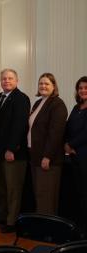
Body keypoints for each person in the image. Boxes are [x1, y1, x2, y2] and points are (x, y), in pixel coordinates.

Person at [0, 68, 31, 233]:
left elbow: (19, 126)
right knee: (1, 187)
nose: (6, 81)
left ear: (17, 81)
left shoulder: (21, 99)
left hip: (14, 154)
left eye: (10, 78)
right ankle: (2, 216)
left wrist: (11, 149)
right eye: (4, 79)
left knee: (13, 189)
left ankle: (12, 222)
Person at [28, 73, 67, 215]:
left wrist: (47, 156)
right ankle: (41, 225)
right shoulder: (38, 102)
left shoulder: (57, 104)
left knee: (47, 195)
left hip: (48, 158)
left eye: (47, 84)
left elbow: (55, 134)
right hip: (35, 156)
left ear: (54, 86)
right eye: (41, 83)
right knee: (39, 194)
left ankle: (48, 230)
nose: (43, 86)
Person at [64, 76, 87, 234]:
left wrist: (71, 145)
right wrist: (65, 143)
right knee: (79, 193)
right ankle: (80, 226)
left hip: (84, 156)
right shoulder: (76, 107)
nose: (83, 90)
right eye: (80, 88)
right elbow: (67, 127)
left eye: (86, 88)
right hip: (74, 157)